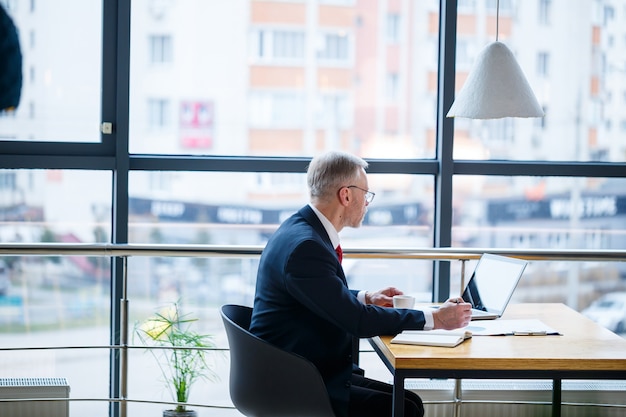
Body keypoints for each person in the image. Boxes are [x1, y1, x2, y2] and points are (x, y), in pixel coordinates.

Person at [249, 150, 471, 417]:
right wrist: (437, 319)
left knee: (409, 403)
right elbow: (357, 322)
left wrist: (364, 297)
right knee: (406, 409)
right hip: (299, 382)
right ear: (346, 195)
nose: (367, 203)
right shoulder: (306, 246)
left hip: (302, 368)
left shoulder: (300, 230)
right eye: (366, 194)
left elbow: (318, 294)